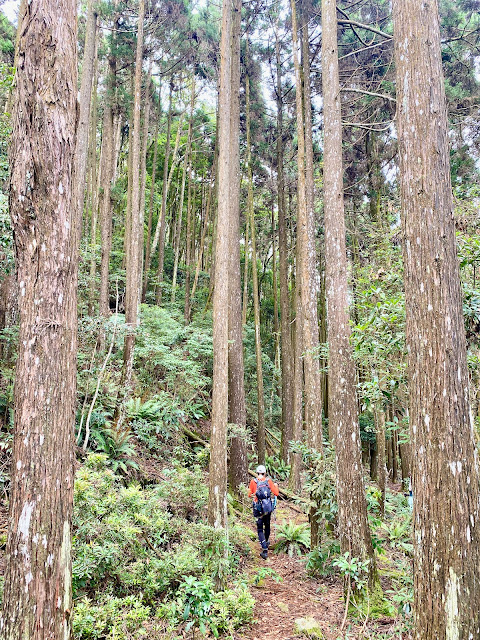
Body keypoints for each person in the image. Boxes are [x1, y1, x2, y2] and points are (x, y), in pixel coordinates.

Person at [248, 465, 279, 559]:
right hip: (267, 507)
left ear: (257, 472)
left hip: (258, 508)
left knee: (260, 528)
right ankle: (266, 540)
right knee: (267, 525)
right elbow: (276, 493)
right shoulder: (268, 481)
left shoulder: (253, 482)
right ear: (265, 473)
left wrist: (253, 493)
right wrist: (276, 486)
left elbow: (249, 494)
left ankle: (264, 549)